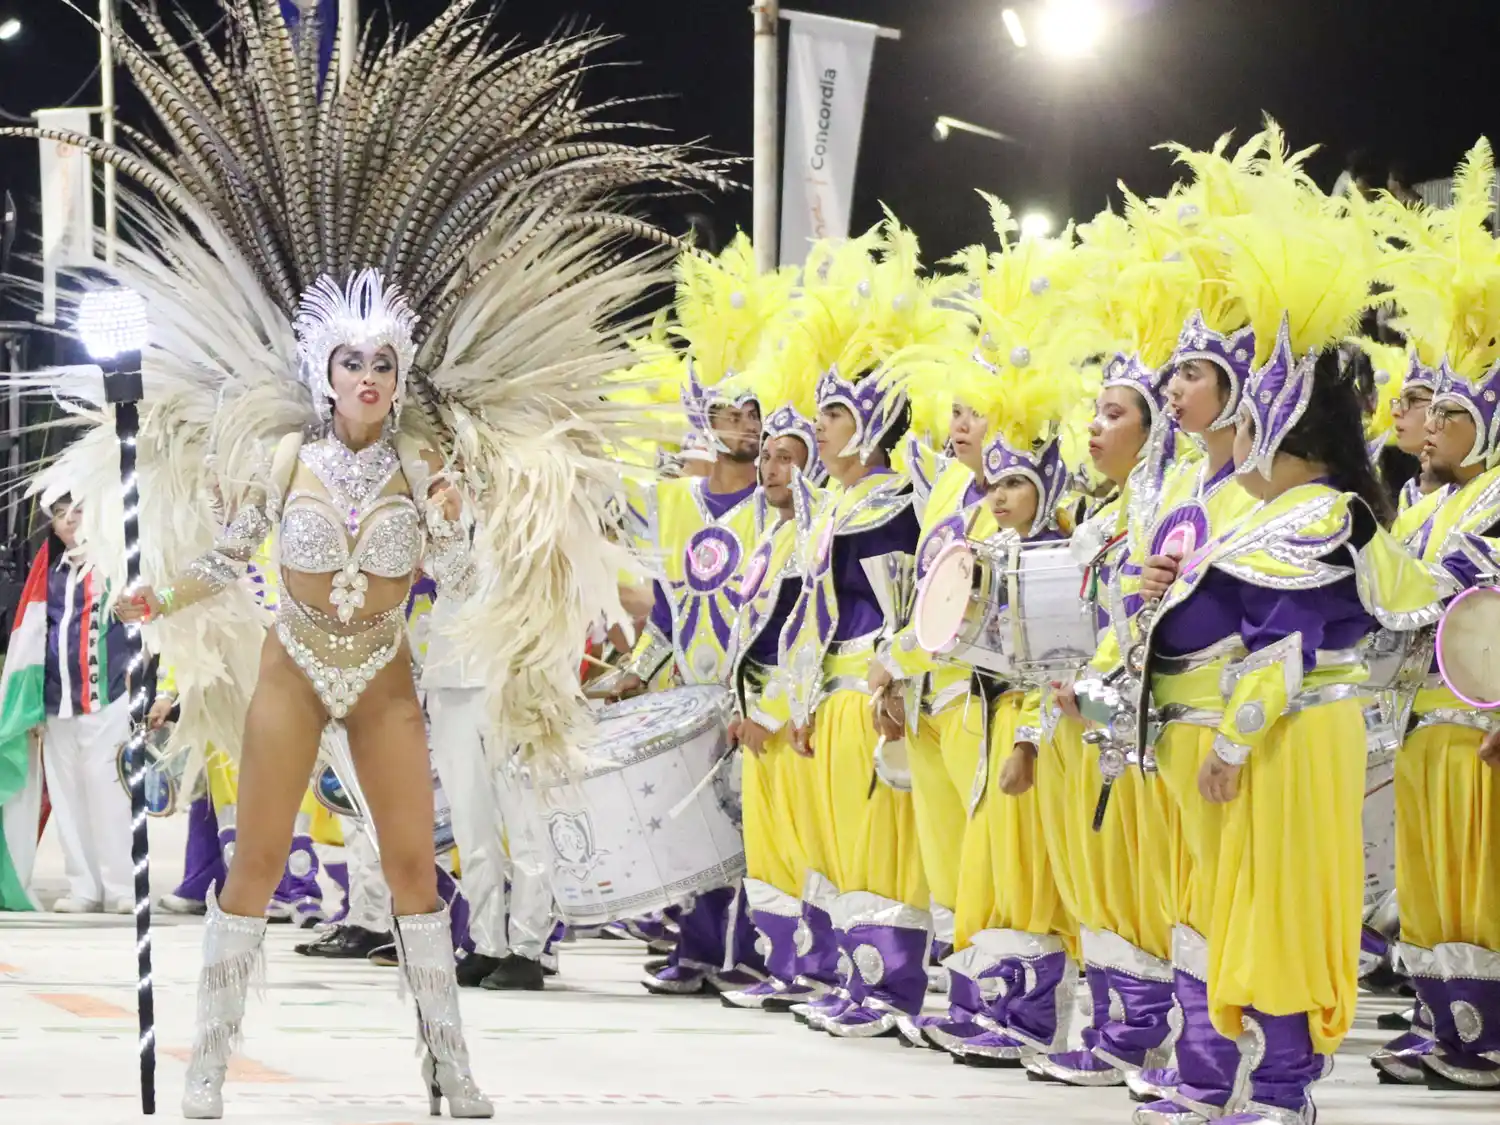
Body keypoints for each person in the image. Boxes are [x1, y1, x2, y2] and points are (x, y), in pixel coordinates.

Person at [10, 3, 719, 1118]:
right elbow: (234, 559)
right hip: (294, 667)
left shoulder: (427, 467)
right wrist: (161, 593)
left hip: (385, 674)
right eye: (354, 363)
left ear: (401, 372)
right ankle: (205, 1069)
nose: (371, 378)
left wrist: (468, 505)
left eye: (386, 363)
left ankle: (451, 1066)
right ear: (324, 371)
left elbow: (456, 553)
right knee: (252, 867)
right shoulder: (285, 460)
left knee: (409, 876)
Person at [1132, 126, 1395, 1125]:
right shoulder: (1288, 512)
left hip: (1287, 733)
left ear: (1284, 422)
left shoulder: (1318, 512)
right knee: (1249, 904)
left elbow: (1288, 644)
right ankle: (1259, 1080)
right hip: (1278, 735)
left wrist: (1233, 746)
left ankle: (1285, 1090)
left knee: (1281, 907)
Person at [766, 218, 962, 1039]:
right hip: (834, 687)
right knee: (846, 843)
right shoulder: (836, 503)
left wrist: (892, 683)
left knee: (882, 840)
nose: (822, 424)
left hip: (876, 686)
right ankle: (856, 972)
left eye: (838, 412)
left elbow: (905, 599)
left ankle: (891, 986)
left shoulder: (887, 503)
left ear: (874, 418)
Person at [1360, 139, 1500, 1090]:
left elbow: (1451, 585)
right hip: (1418, 717)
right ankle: (1444, 1023)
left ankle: (1484, 1038)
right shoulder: (1419, 499)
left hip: (1478, 720)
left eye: (1446, 410)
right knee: (1430, 881)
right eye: (1425, 409)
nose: (1426, 425)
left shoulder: (1490, 497)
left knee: (1480, 881)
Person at [720, 365, 827, 1011]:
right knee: (767, 855)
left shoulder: (812, 539)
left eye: (787, 458)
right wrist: (740, 708)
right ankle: (782, 964)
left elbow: (808, 633)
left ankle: (811, 967)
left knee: (800, 848)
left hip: (790, 725)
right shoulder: (768, 537)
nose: (771, 468)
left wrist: (779, 713)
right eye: (766, 455)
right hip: (757, 720)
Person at [0, 495, 133, 914]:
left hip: (107, 697)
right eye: (60, 515)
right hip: (57, 704)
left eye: (76, 510)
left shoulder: (118, 565)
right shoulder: (49, 575)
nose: (69, 520)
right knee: (68, 795)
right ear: (53, 526)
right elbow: (35, 638)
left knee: (109, 794)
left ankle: (122, 887)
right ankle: (84, 888)